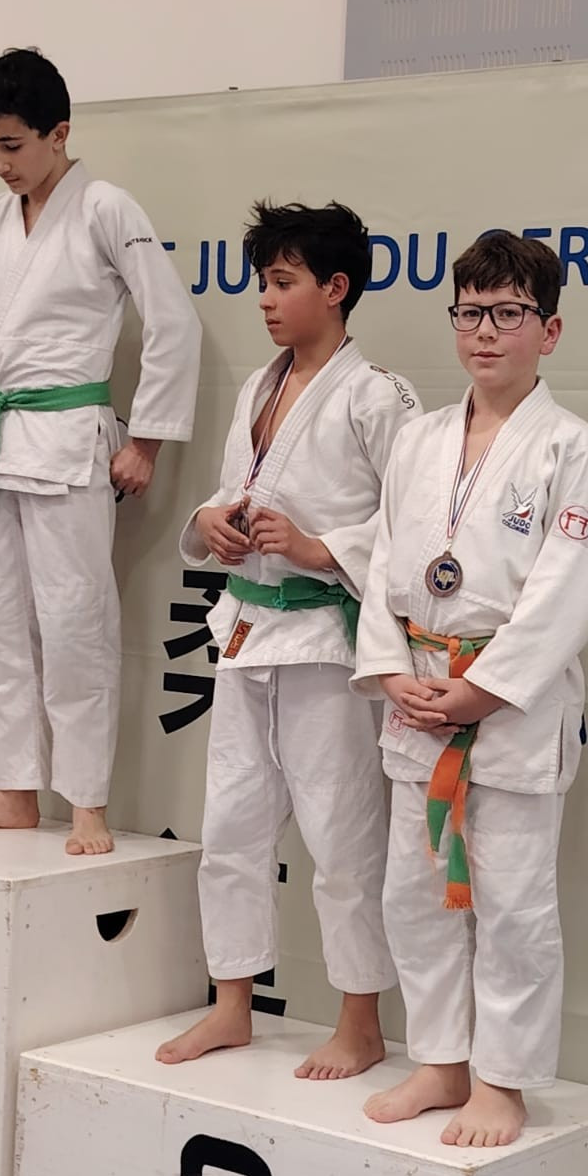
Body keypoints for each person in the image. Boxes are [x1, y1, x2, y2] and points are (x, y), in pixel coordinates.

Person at [353, 232, 588, 1148]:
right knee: (412, 891)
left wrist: (486, 690)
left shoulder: (571, 449)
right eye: (470, 312)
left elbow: (571, 588)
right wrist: (390, 669)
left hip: (507, 709)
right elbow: (382, 561)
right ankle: (439, 1060)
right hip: (418, 692)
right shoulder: (419, 439)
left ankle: (502, 1080)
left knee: (511, 903)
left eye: (508, 313)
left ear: (550, 330)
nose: (486, 332)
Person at [158, 201, 418, 1079]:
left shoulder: (377, 395)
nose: (265, 299)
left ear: (335, 287)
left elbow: (413, 526)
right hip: (245, 630)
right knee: (229, 826)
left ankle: (360, 1021)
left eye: (283, 281)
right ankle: (231, 1003)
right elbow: (232, 489)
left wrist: (320, 550)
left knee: (342, 836)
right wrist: (213, 521)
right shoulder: (258, 387)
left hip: (324, 641)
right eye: (262, 282)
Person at [0, 47, 201, 855]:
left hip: (71, 441)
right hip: (2, 442)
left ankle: (86, 802)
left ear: (60, 132)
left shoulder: (105, 207)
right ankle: (16, 790)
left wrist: (145, 442)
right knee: (1, 620)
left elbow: (173, 322)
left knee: (76, 623)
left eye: (12, 145)